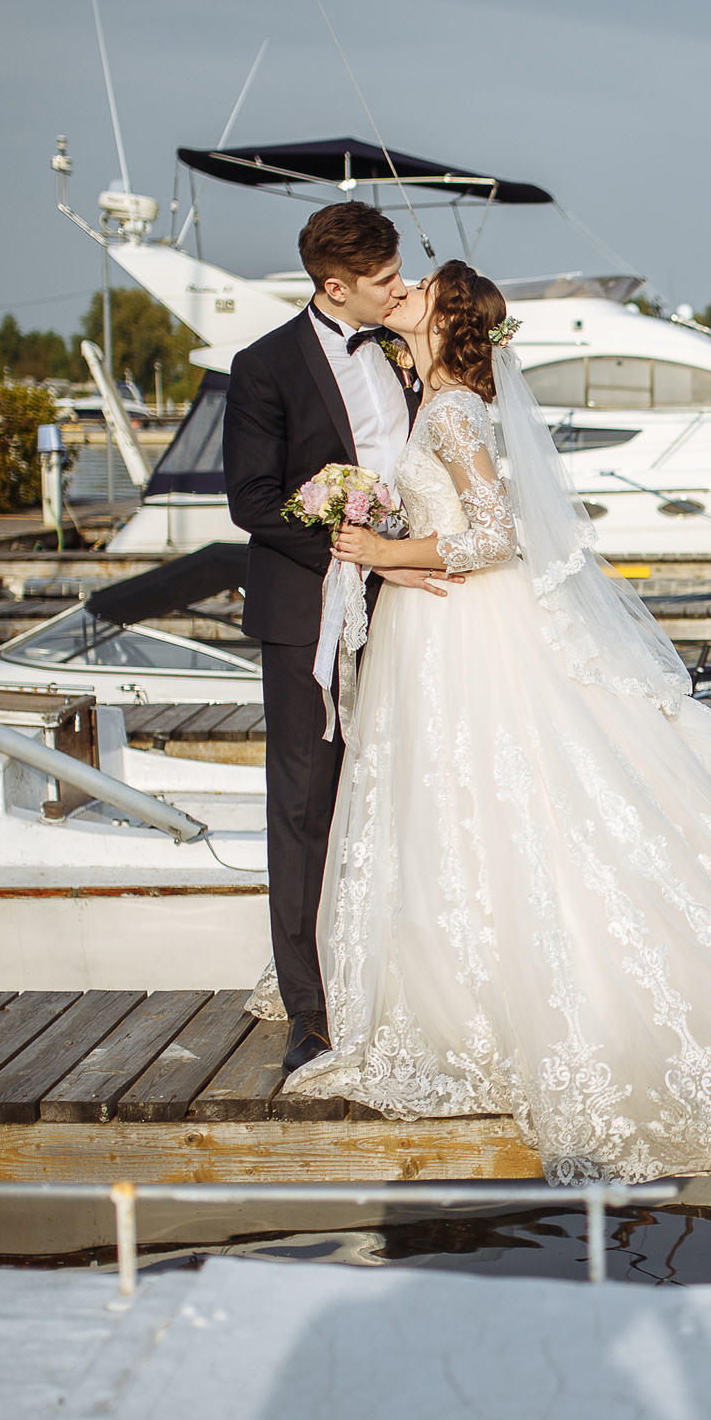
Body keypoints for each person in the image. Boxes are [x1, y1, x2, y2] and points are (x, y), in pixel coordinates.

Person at [292, 261, 711, 1185]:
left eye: (416, 289)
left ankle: (490, 993)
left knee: (495, 791)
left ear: (444, 319)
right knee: (460, 797)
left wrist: (379, 546)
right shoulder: (433, 397)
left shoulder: (447, 411)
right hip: (439, 625)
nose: (399, 293)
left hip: (466, 628)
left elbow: (495, 534)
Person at [222, 203, 457, 1073]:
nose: (400, 290)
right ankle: (311, 1012)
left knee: (410, 791)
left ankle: (405, 978)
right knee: (304, 806)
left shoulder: (401, 348)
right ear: (334, 286)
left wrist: (402, 555)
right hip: (309, 615)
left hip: (417, 607)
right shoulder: (264, 366)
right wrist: (354, 549)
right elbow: (250, 498)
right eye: (385, 282)